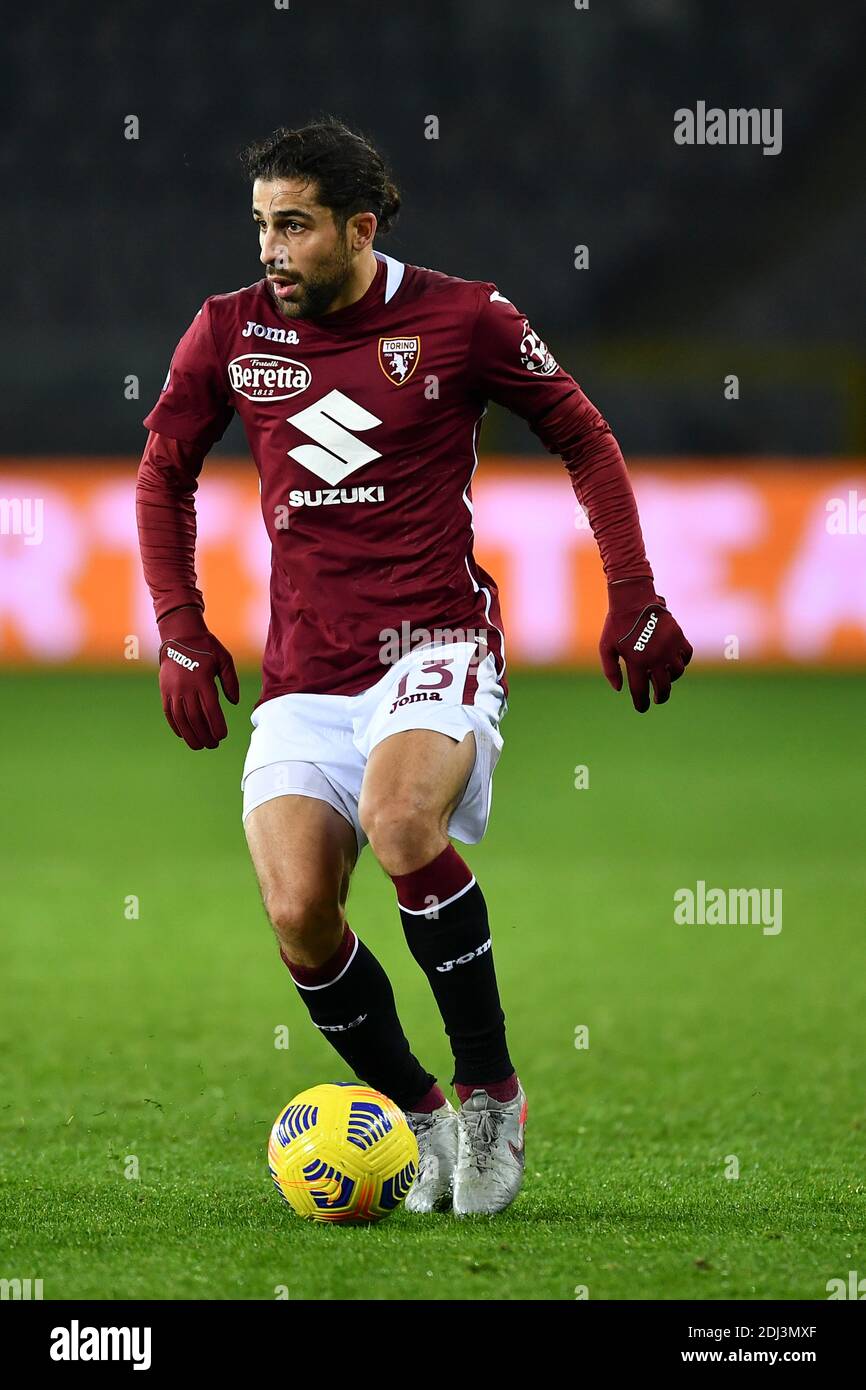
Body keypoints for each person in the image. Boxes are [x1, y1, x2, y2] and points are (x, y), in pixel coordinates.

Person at [136, 117, 692, 1217]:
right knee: (298, 910)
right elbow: (164, 468)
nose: (270, 251)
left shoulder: (462, 318)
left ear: (359, 226)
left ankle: (491, 1092)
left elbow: (582, 434)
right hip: (305, 675)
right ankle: (419, 1113)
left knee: (401, 827)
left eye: (292, 227)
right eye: (260, 226)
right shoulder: (227, 333)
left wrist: (631, 590)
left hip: (432, 644)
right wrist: (179, 624)